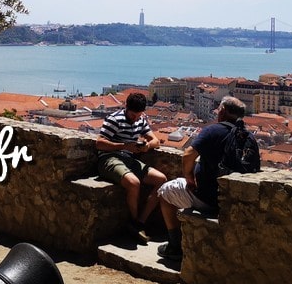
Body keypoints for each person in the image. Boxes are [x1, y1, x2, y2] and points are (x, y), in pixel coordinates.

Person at [156, 95, 251, 261]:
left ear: (222, 111)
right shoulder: (248, 137)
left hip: (206, 197)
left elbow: (188, 155)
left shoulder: (214, 130)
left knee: (165, 192)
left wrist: (189, 178)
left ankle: (175, 245)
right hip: (232, 201)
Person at [96, 91, 167, 243]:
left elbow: (156, 141)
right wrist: (124, 146)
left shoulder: (140, 120)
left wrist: (146, 146)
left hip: (129, 159)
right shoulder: (115, 119)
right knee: (134, 183)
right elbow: (99, 143)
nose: (135, 118)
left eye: (138, 115)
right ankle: (134, 222)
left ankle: (140, 222)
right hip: (109, 158)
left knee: (162, 180)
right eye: (133, 114)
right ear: (126, 108)